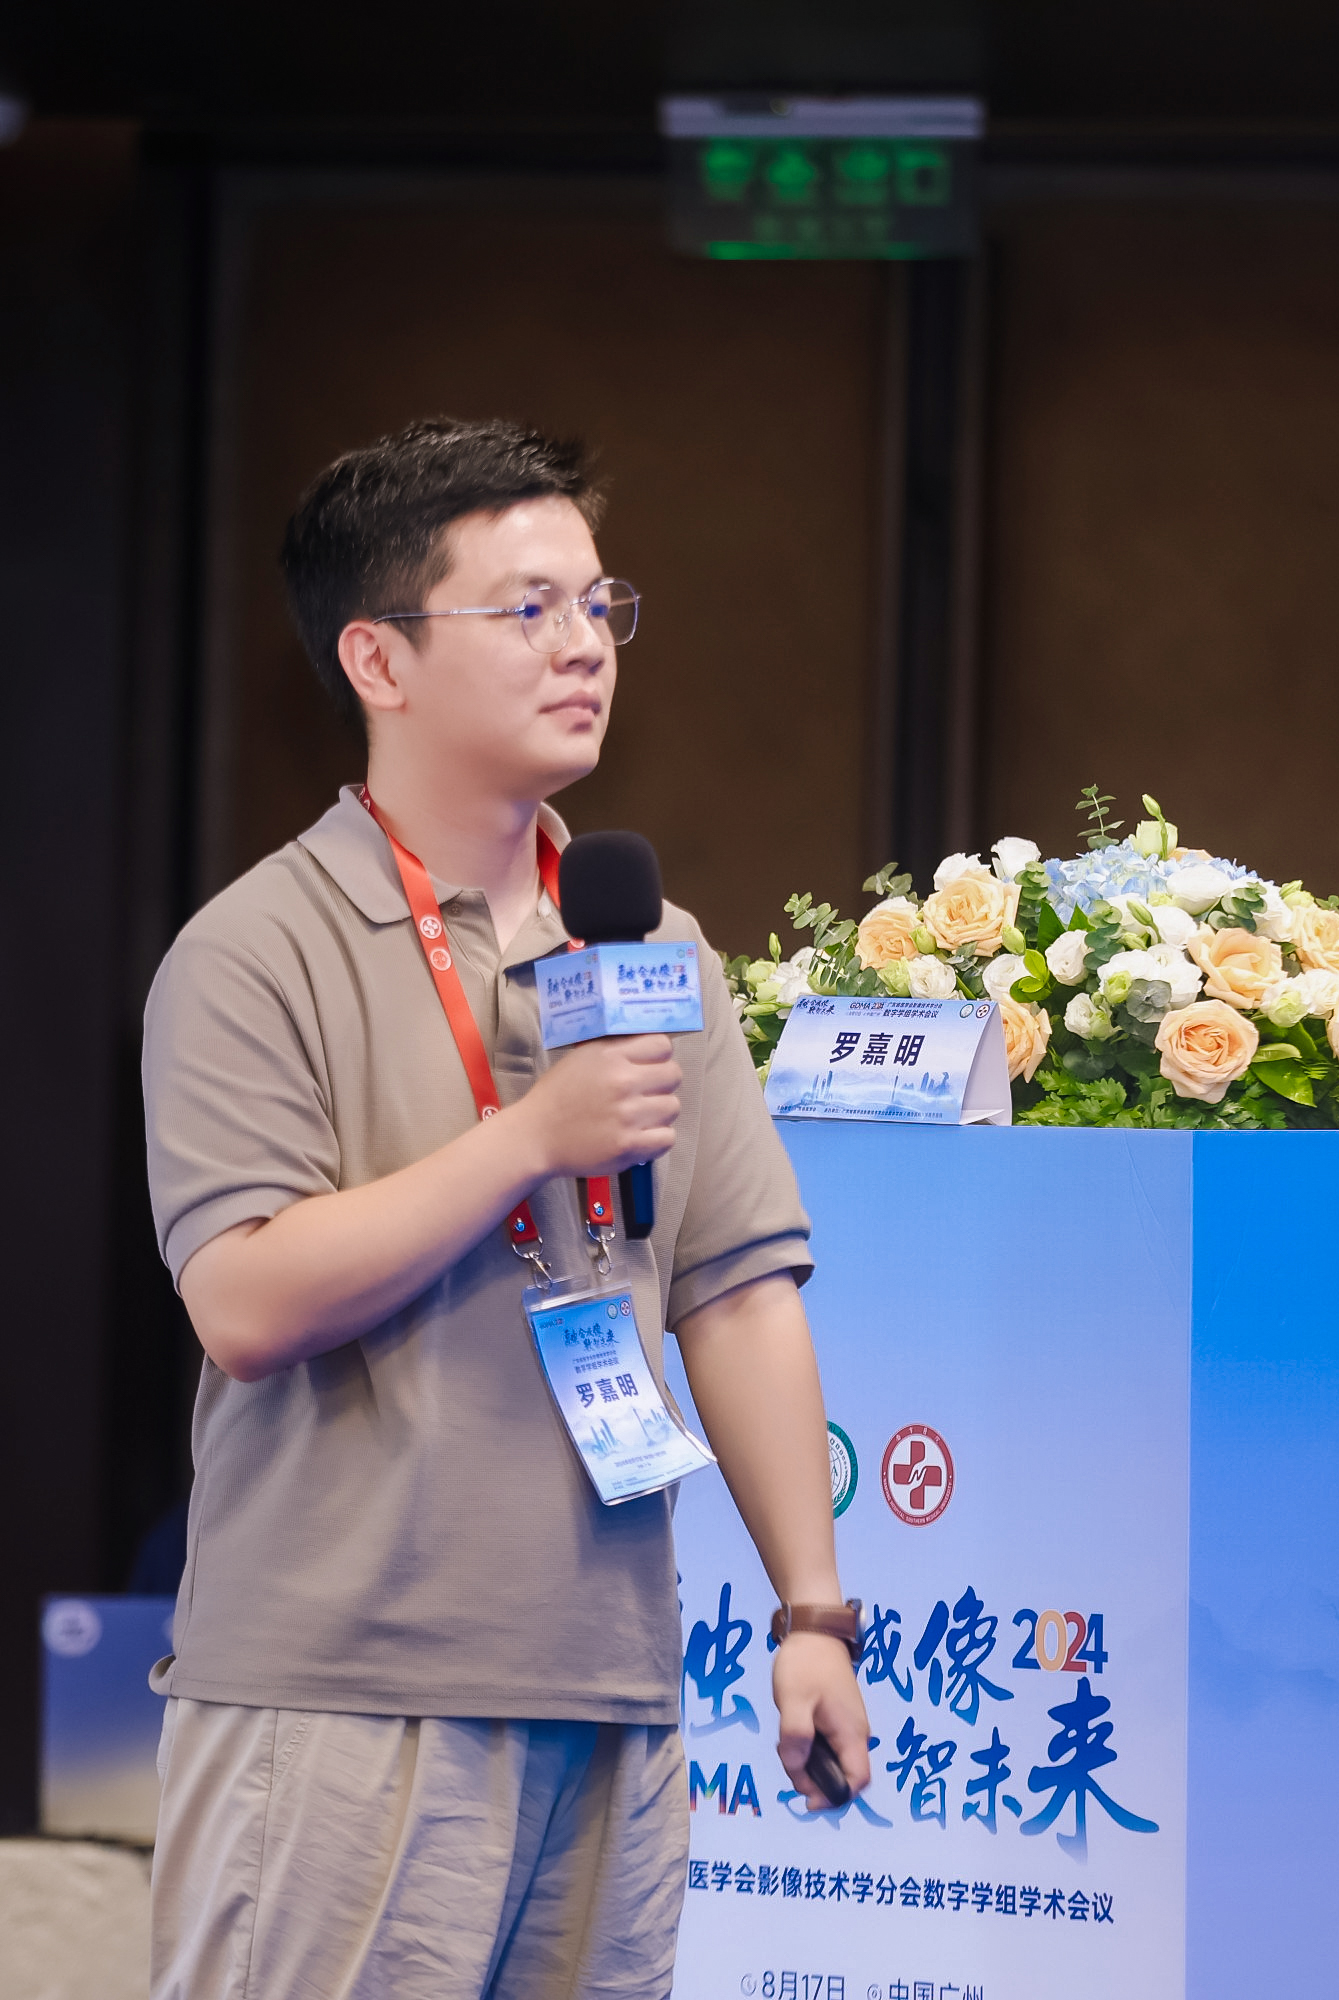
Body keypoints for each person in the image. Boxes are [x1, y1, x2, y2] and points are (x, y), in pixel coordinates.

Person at [138, 418, 870, 1999]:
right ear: (379, 661)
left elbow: (738, 1291)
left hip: (611, 1685)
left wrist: (813, 1613)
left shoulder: (654, 946)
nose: (583, 647)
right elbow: (245, 1304)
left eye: (600, 606)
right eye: (527, 609)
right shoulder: (255, 949)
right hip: (339, 1691)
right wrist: (530, 1138)